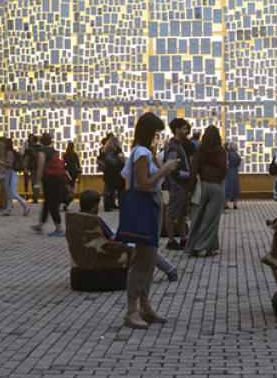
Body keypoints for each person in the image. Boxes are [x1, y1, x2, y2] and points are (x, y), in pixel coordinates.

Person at [120, 112, 178, 328]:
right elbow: (144, 184)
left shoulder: (145, 152)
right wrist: (164, 169)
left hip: (150, 202)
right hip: (144, 202)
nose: (158, 138)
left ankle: (145, 305)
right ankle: (132, 308)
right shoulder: (141, 153)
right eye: (156, 134)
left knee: (150, 257)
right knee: (142, 258)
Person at [79, 190, 177, 282]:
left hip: (93, 245)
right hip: (109, 246)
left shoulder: (78, 218)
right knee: (145, 245)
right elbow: (112, 239)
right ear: (94, 207)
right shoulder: (95, 220)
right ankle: (169, 269)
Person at [186, 125, 227, 257]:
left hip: (201, 185)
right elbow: (223, 170)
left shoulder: (200, 149)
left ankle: (195, 245)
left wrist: (191, 187)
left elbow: (194, 168)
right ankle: (202, 246)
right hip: (217, 187)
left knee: (197, 217)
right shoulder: (221, 151)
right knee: (212, 219)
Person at [162, 118, 193, 250]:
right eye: (184, 128)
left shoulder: (178, 145)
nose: (187, 131)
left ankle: (183, 238)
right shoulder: (174, 147)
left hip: (182, 185)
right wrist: (188, 175)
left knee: (182, 214)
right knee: (172, 212)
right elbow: (172, 170)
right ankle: (171, 240)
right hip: (177, 184)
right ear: (177, 130)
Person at [31, 133, 66, 236]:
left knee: (51, 204)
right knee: (47, 202)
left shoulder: (42, 152)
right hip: (57, 179)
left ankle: (59, 228)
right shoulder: (54, 151)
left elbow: (40, 168)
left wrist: (37, 182)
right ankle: (40, 225)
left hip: (48, 180)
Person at [0, 138, 29, 217]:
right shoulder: (11, 152)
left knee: (12, 192)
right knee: (9, 193)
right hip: (11, 173)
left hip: (10, 174)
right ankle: (9, 209)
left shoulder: (9, 153)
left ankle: (24, 205)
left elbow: (9, 164)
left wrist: (0, 162)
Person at [97, 135, 125, 212]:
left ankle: (107, 205)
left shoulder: (105, 150)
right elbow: (121, 157)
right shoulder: (117, 150)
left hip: (109, 173)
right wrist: (125, 163)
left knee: (110, 190)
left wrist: (105, 166)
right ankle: (121, 204)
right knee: (120, 190)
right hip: (118, 173)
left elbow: (98, 160)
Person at [63, 141, 82, 209]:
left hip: (67, 170)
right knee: (73, 184)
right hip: (74, 170)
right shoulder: (75, 154)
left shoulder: (65, 154)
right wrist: (79, 169)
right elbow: (77, 163)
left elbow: (63, 163)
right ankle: (70, 196)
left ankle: (67, 195)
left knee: (67, 184)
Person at [224, 141, 241, 210]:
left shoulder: (228, 154)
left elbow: (227, 163)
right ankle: (235, 204)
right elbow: (239, 164)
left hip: (229, 172)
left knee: (228, 187)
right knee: (235, 186)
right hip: (235, 171)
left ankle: (226, 203)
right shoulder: (237, 155)